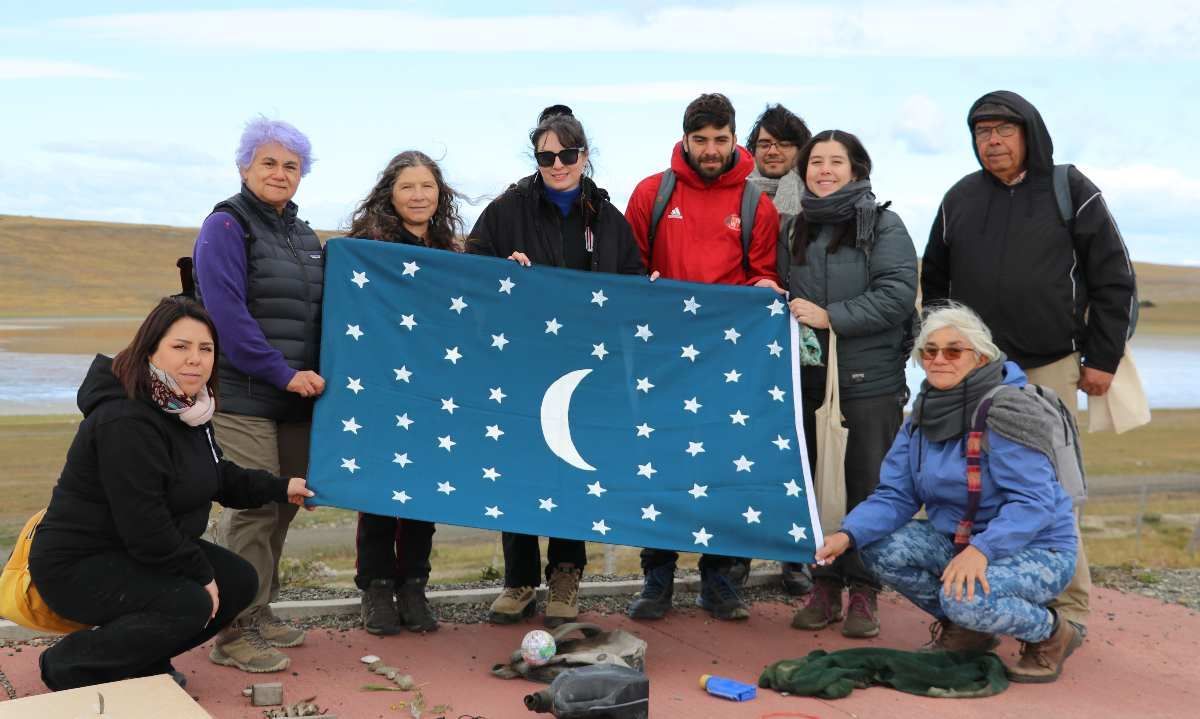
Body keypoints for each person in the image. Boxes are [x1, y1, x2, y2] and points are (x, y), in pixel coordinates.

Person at [921, 90, 1137, 656]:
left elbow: (1114, 278)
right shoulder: (959, 199)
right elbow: (935, 283)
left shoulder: (1071, 190)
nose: (991, 142)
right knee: (970, 486)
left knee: (1051, 487)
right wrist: (944, 354)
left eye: (1003, 131)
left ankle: (1066, 611)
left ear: (1029, 133)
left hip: (1050, 365)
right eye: (981, 132)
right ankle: (976, 607)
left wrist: (1102, 358)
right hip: (976, 374)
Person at [28, 298, 314, 691]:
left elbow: (217, 476)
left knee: (238, 582)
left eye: (206, 349)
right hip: (79, 562)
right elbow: (144, 524)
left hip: (135, 549)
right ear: (151, 351)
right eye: (180, 347)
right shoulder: (125, 420)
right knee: (193, 602)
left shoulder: (188, 409)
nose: (195, 359)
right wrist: (200, 575)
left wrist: (281, 487)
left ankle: (142, 657)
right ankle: (70, 665)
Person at [817, 303, 1082, 683]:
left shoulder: (1008, 410)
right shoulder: (923, 416)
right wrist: (847, 534)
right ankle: (970, 630)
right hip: (962, 541)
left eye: (953, 350)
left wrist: (982, 551)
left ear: (981, 357)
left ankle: (1053, 634)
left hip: (1036, 547)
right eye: (930, 350)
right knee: (876, 547)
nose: (939, 359)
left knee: (964, 598)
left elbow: (1034, 503)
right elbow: (896, 495)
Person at [468, 105, 644, 627]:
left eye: (567, 154)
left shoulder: (609, 219)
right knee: (519, 465)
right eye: (546, 156)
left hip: (583, 366)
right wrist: (500, 272)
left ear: (584, 156)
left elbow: (632, 280)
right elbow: (470, 267)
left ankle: (566, 573)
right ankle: (519, 578)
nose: (557, 163)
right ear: (536, 158)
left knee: (572, 466)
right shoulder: (506, 210)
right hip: (519, 361)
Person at [624, 92, 783, 622]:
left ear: (734, 138)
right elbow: (630, 271)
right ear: (685, 140)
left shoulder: (755, 203)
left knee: (725, 468)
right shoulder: (651, 193)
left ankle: (720, 580)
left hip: (728, 359)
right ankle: (657, 578)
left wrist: (765, 284)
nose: (711, 150)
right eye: (701, 140)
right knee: (661, 465)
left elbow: (762, 271)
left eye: (721, 139)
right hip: (662, 357)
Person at [192, 116, 325, 673]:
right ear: (245, 167)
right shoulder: (226, 226)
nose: (279, 173)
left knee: (281, 507)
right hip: (249, 395)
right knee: (250, 511)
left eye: (290, 166)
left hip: (296, 399)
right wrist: (280, 371)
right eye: (268, 162)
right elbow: (226, 316)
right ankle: (233, 631)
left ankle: (260, 607)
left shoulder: (301, 235)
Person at [779, 130, 917, 638]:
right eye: (816, 162)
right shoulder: (793, 228)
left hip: (870, 381)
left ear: (857, 169)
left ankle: (864, 590)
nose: (825, 170)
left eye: (836, 162)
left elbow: (897, 294)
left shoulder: (884, 225)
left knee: (867, 487)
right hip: (808, 382)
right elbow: (782, 292)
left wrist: (829, 316)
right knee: (816, 487)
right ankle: (823, 583)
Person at [345, 150, 465, 634]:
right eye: (407, 187)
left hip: (434, 389)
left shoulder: (455, 254)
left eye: (427, 187)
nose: (418, 196)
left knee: (423, 490)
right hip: (378, 387)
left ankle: (414, 585)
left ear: (440, 195)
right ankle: (375, 589)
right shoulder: (366, 250)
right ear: (389, 195)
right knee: (378, 489)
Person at [747, 104, 812, 215]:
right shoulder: (733, 194)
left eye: (784, 144)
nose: (772, 152)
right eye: (764, 145)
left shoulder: (819, 196)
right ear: (753, 151)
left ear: (801, 151)